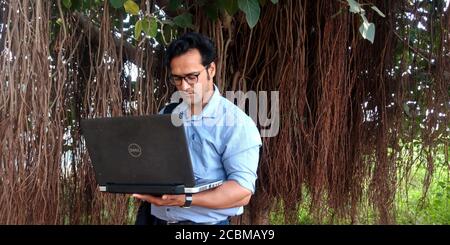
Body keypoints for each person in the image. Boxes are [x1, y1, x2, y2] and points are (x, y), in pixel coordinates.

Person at [132, 32, 262, 225]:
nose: (184, 86)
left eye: (192, 77)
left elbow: (242, 191)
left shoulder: (236, 124)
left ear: (211, 69)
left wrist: (186, 200)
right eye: (177, 79)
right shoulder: (167, 114)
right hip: (153, 219)